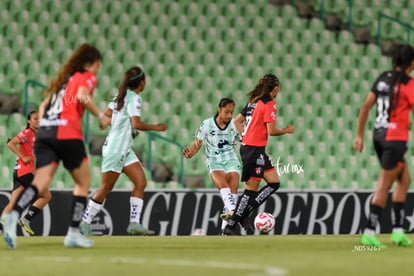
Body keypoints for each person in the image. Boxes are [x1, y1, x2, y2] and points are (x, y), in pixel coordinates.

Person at [2, 43, 109, 249]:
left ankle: (13, 215)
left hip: (45, 133)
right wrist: (100, 115)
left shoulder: (63, 82)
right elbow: (82, 95)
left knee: (40, 182)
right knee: (83, 183)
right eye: (98, 65)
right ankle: (73, 234)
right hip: (67, 132)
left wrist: (49, 125)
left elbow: (43, 107)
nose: (98, 69)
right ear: (94, 63)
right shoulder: (86, 76)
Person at [80, 66, 167, 236]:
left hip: (124, 149)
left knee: (140, 182)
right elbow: (136, 124)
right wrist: (157, 127)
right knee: (106, 187)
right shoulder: (135, 99)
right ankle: (85, 222)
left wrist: (119, 125)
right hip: (116, 149)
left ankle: (134, 224)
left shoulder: (119, 96)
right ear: (142, 82)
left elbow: (105, 118)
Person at [354, 44, 414, 248]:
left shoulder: (382, 78)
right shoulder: (409, 83)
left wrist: (359, 135)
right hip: (395, 139)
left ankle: (398, 231)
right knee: (384, 184)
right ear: (411, 62)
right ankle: (369, 233)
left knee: (404, 179)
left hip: (378, 136)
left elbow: (365, 107)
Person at [222, 74, 294, 235]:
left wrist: (244, 137)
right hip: (254, 150)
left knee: (274, 183)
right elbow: (272, 130)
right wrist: (286, 130)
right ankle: (232, 224)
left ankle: (243, 215)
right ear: (275, 89)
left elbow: (236, 122)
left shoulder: (253, 102)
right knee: (250, 191)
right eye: (278, 89)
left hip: (252, 149)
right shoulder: (269, 104)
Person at [182, 98, 241, 234]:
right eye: (226, 112)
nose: (229, 115)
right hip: (214, 161)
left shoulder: (234, 124)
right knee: (222, 186)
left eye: (231, 112)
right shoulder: (207, 124)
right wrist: (190, 153)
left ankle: (225, 230)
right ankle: (235, 213)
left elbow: (245, 141)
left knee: (232, 192)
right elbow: (197, 144)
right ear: (219, 109)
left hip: (231, 160)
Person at [0, 111, 51, 236]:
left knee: (12, 203)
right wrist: (22, 156)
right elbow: (10, 143)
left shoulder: (35, 135)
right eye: (35, 119)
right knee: (46, 196)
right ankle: (26, 219)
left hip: (19, 173)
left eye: (39, 118)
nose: (38, 121)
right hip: (25, 172)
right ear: (29, 121)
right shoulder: (28, 133)